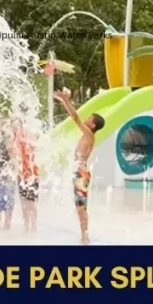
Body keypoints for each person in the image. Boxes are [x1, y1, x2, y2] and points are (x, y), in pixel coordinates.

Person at [53, 90, 105, 245]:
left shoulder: (89, 133)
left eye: (89, 118)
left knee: (81, 207)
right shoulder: (88, 135)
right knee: (79, 206)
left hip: (81, 174)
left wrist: (64, 100)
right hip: (80, 173)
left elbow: (74, 117)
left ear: (93, 124)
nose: (86, 119)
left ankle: (85, 237)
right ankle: (84, 235)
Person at [14, 118, 39, 232]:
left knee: (31, 202)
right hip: (21, 175)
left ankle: (33, 225)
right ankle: (26, 225)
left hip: (31, 175)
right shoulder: (17, 140)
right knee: (23, 201)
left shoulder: (28, 137)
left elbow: (33, 145)